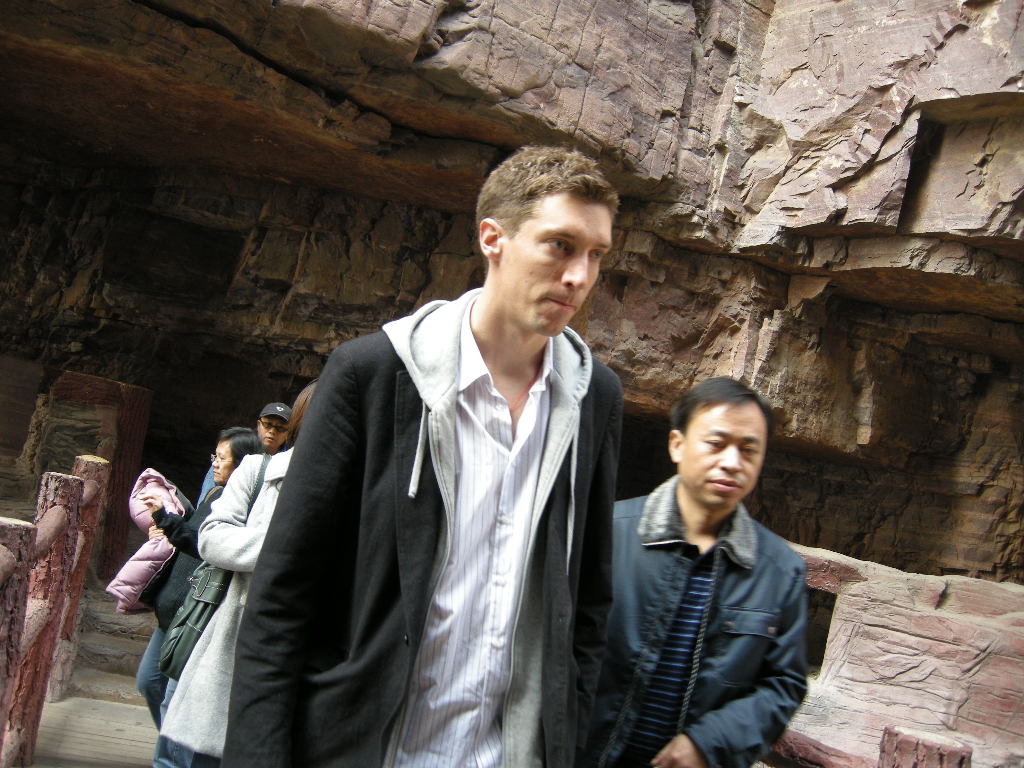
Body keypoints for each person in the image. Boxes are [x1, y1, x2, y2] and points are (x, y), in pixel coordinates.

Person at [222, 145, 624, 768]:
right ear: (493, 238)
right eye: (560, 245)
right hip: (365, 747)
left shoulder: (593, 395)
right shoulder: (371, 373)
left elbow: (588, 600)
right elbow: (283, 591)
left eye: (596, 254)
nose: (580, 276)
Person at [578, 377, 809, 768]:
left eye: (748, 450)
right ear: (677, 445)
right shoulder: (606, 533)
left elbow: (783, 684)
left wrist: (709, 744)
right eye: (716, 444)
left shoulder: (781, 571)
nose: (732, 462)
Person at [158, 381, 318, 767]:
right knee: (209, 753)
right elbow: (211, 536)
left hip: (312, 648)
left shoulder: (365, 486)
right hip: (238, 632)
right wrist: (289, 550)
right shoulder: (259, 469)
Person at [139, 427, 262, 768]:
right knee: (150, 682)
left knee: (173, 701)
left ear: (243, 467)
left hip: (199, 613)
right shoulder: (213, 494)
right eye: (215, 457)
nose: (215, 465)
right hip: (175, 611)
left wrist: (168, 520)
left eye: (221, 459)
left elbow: (205, 545)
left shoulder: (244, 505)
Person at [196, 403, 291, 502]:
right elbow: (205, 503)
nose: (272, 431)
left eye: (280, 428)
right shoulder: (236, 451)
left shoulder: (289, 463)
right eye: (267, 424)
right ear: (258, 425)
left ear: (288, 433)